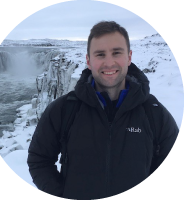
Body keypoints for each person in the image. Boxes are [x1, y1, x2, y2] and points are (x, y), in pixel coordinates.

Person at [27, 21, 183, 199]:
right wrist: (62, 195)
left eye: (116, 52)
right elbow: (39, 160)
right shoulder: (64, 110)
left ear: (129, 57)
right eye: (100, 54)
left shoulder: (154, 114)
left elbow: (173, 173)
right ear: (88, 61)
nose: (109, 62)